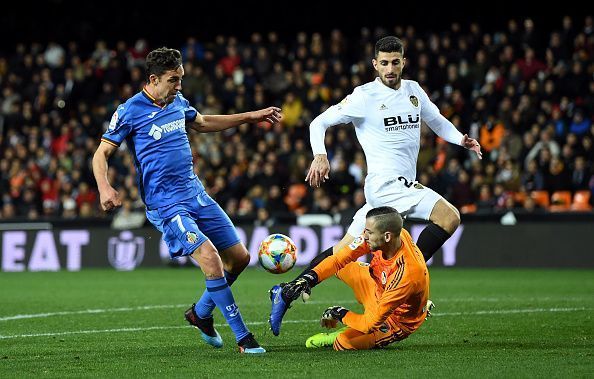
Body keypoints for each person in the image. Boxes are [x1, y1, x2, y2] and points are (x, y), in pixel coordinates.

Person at [269, 36, 481, 336]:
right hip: (387, 185)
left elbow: (437, 120)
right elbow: (317, 123)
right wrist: (320, 155)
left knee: (341, 253)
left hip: (387, 194)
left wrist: (461, 139)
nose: (390, 68)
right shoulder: (363, 96)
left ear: (403, 62)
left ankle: (287, 291)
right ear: (375, 64)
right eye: (384, 63)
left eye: (395, 62)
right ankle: (403, 277)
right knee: (449, 217)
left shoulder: (413, 91)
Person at [92, 47, 281, 354]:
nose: (179, 85)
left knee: (241, 259)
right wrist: (104, 187)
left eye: (180, 78)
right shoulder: (129, 111)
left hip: (196, 194)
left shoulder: (177, 102)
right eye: (173, 80)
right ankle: (244, 338)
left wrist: (250, 116)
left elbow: (204, 122)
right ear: (154, 79)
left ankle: (200, 314)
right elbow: (102, 152)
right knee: (211, 259)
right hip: (167, 204)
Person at [301, 206, 431, 350]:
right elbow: (338, 259)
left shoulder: (407, 274)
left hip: (395, 319)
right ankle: (414, 300)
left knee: (343, 343)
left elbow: (370, 324)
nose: (364, 236)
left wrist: (339, 313)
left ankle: (340, 335)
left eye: (369, 232)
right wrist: (308, 279)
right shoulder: (392, 235)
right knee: (339, 266)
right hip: (377, 286)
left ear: (387, 236)